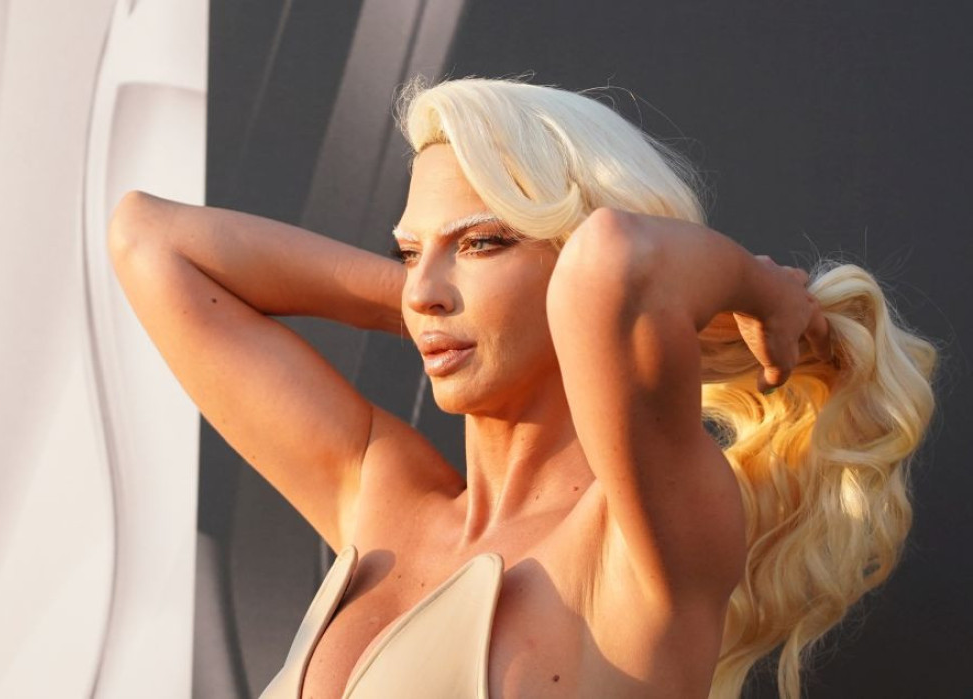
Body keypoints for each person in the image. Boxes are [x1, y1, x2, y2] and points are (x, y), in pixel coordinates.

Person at [106, 75, 940, 698]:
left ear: (567, 267)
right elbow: (148, 240)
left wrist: (757, 289)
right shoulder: (382, 496)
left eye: (482, 243)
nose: (425, 283)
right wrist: (433, 308)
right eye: (410, 251)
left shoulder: (643, 538)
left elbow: (615, 263)